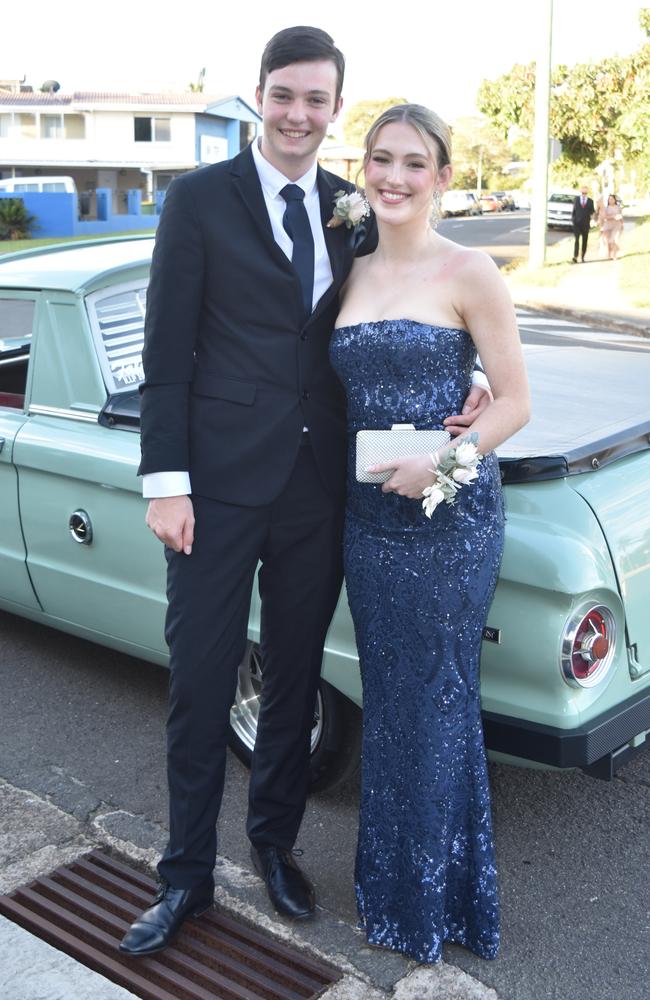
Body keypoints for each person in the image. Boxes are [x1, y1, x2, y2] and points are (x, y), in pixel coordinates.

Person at [119, 29, 491, 957]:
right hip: (211, 488)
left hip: (319, 490)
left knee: (292, 680)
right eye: (284, 96)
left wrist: (469, 384)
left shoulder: (350, 210)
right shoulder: (198, 201)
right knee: (203, 682)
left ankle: (274, 847)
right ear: (259, 96)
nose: (298, 115)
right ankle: (185, 877)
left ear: (334, 109)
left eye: (317, 101)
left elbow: (404, 309)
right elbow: (164, 356)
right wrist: (165, 482)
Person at [329, 104, 530, 963]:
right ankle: (396, 886)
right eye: (381, 160)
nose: (395, 178)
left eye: (416, 164)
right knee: (392, 703)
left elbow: (516, 403)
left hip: (449, 526)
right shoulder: (347, 266)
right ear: (363, 168)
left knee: (439, 703)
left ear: (444, 177)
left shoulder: (470, 268)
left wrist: (443, 467)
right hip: (368, 525)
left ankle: (444, 902)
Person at [571, 185, 595, 262]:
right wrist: (573, 220)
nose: (584, 194)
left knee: (585, 240)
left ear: (587, 192)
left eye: (585, 192)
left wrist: (593, 220)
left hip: (585, 224)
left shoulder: (590, 201)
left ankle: (583, 256)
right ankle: (575, 256)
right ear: (580, 192)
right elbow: (574, 211)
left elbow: (592, 212)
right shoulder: (576, 199)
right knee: (577, 240)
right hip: (577, 223)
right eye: (582, 192)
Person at [598, 193, 624, 260]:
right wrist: (613, 216)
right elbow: (604, 217)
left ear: (615, 200)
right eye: (609, 199)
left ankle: (615, 255)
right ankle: (609, 255)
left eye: (612, 199)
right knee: (609, 241)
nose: (610, 200)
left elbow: (621, 216)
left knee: (614, 240)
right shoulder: (606, 208)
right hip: (608, 226)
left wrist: (622, 224)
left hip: (617, 225)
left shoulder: (618, 208)